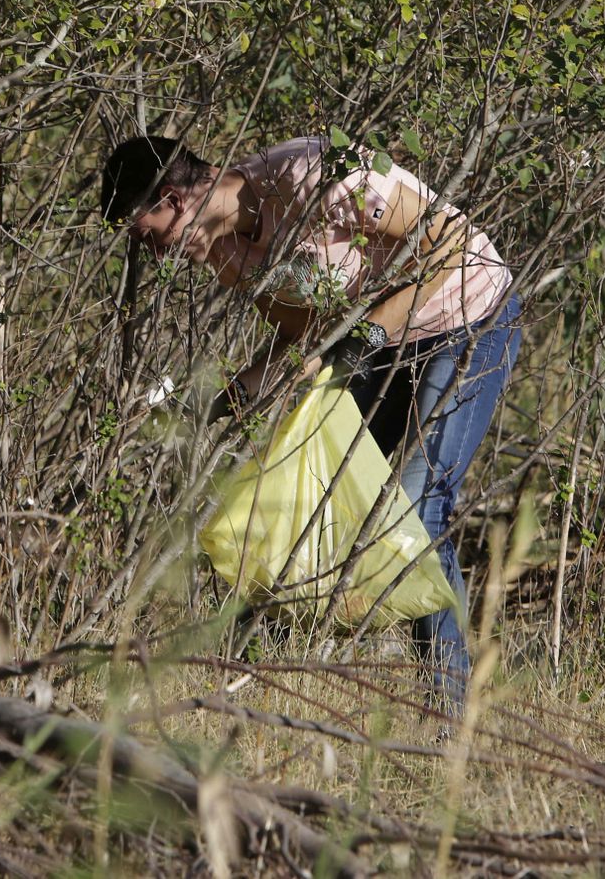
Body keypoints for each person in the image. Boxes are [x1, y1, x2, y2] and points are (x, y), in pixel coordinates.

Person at [99, 134, 521, 711]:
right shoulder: (225, 255)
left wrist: (367, 335)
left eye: (149, 237)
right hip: (380, 343)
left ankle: (450, 713)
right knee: (316, 497)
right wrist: (198, 403)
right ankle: (255, 688)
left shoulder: (307, 173)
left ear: (172, 199)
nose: (154, 255)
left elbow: (448, 244)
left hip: (468, 314)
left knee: (420, 505)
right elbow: (300, 343)